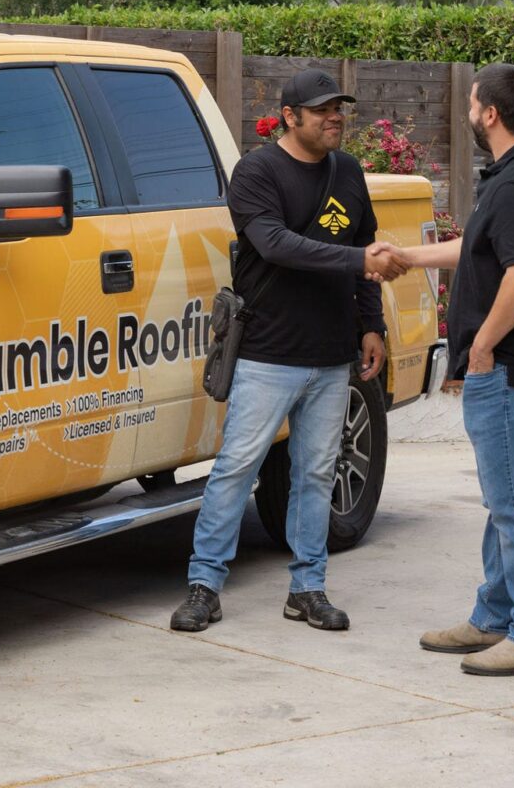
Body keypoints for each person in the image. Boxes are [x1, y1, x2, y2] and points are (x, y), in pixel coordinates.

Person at [170, 68, 408, 634]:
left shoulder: (348, 173)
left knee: (316, 474)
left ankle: (308, 589)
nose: (335, 117)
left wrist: (370, 324)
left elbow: (360, 247)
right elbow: (275, 245)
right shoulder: (255, 173)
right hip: (267, 356)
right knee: (235, 469)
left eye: (340, 108)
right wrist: (360, 263)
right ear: (290, 116)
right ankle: (205, 586)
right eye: (323, 109)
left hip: (331, 358)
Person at [375, 63, 514, 676]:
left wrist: (484, 347)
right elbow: (478, 249)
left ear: (489, 114)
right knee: (505, 499)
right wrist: (407, 255)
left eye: (471, 104)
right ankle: (494, 617)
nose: (468, 112)